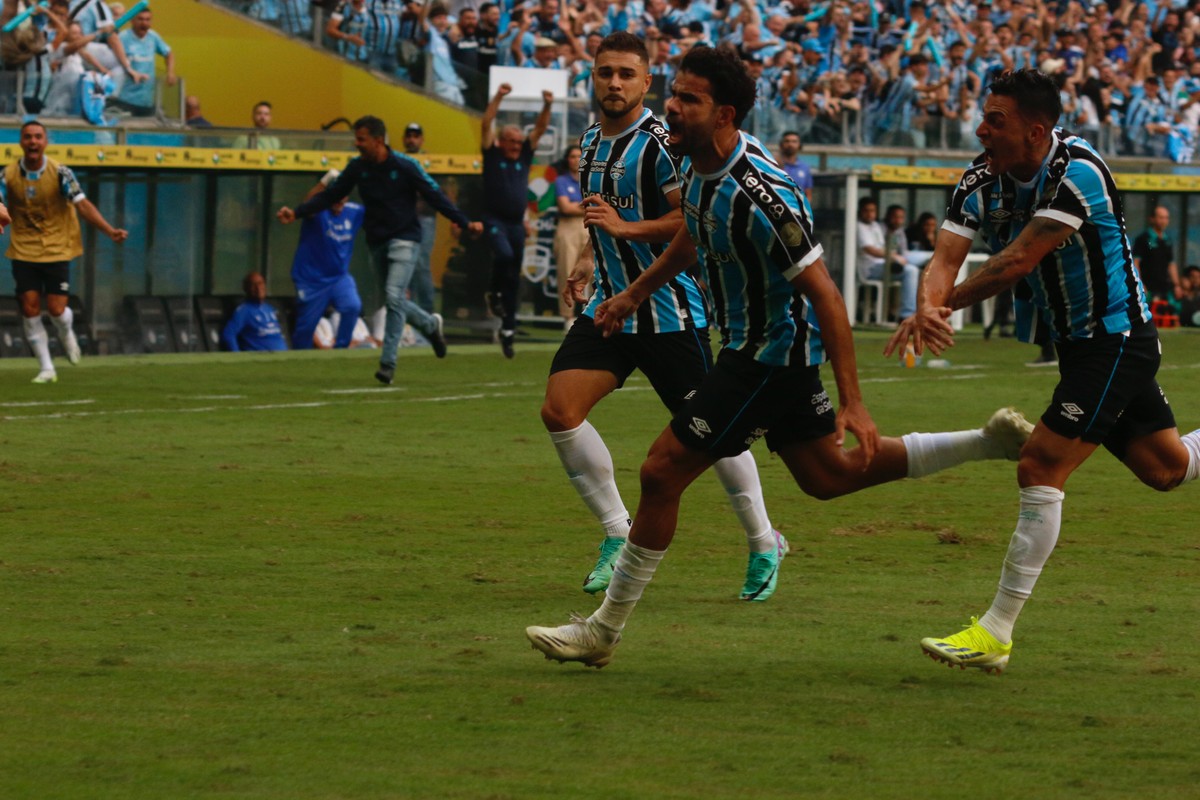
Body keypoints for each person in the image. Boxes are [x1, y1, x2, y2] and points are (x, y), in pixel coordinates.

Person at [526, 47, 1033, 668]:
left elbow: (826, 295)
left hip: (766, 356)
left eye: (688, 99)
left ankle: (603, 631)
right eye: (675, 94)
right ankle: (988, 442)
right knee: (828, 478)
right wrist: (633, 293)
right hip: (758, 351)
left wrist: (855, 402)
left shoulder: (760, 192)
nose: (672, 108)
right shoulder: (701, 166)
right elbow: (693, 229)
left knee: (662, 471)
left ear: (724, 113)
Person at [885, 69, 1200, 674]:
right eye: (983, 116)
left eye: (994, 120)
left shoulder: (1078, 171)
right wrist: (927, 305)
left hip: (1115, 339)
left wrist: (942, 307)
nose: (981, 128)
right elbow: (945, 255)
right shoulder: (981, 177)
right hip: (1081, 346)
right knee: (1166, 469)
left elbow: (1014, 263)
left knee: (1041, 462)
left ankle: (995, 632)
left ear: (1035, 131)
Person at [541, 32, 789, 606]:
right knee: (560, 410)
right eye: (605, 73)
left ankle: (763, 541)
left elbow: (690, 224)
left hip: (670, 313)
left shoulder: (661, 143)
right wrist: (585, 258)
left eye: (627, 73)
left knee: (716, 437)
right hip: (609, 307)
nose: (615, 83)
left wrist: (626, 232)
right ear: (593, 78)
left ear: (646, 82)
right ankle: (616, 533)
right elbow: (605, 217)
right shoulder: (591, 141)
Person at [277, 115, 483, 384]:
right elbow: (330, 195)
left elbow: (435, 195)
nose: (356, 143)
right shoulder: (357, 167)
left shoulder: (405, 165)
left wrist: (464, 223)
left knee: (394, 295)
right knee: (394, 299)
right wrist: (297, 213)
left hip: (406, 240)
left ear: (378, 140)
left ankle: (388, 363)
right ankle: (430, 325)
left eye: (361, 139)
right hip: (377, 242)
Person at [1, 120, 127, 384]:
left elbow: (82, 205)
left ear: (46, 142)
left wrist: (109, 230)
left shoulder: (61, 173)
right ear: (21, 142)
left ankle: (66, 332)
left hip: (57, 248)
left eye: (38, 136)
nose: (33, 141)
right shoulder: (8, 175)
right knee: (29, 307)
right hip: (24, 250)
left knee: (57, 309)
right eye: (28, 137)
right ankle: (47, 368)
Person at [480, 83, 553, 359]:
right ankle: (493, 293)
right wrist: (498, 96)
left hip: (516, 223)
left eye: (518, 141)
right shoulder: (492, 154)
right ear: (501, 141)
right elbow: (486, 122)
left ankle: (508, 330)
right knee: (504, 255)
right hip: (494, 218)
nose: (515, 145)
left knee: (513, 277)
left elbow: (540, 130)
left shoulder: (524, 155)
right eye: (510, 140)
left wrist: (547, 105)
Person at [288, 171, 366, 350]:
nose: (339, 201)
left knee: (353, 306)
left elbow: (378, 207)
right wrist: (325, 180)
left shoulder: (354, 212)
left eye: (343, 196)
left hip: (339, 277)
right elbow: (307, 204)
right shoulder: (318, 211)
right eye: (335, 197)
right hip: (311, 279)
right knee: (306, 328)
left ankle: (341, 350)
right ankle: (298, 359)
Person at [112, 6, 174, 116]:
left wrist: (170, 72)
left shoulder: (153, 37)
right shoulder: (122, 37)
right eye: (140, 19)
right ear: (132, 20)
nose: (144, 23)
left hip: (146, 100)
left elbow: (168, 53)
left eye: (147, 19)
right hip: (125, 99)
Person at [550, 143, 585, 332]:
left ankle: (587, 314)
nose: (576, 160)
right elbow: (565, 208)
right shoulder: (561, 181)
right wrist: (585, 206)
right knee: (567, 271)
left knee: (591, 272)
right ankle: (568, 316)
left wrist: (576, 206)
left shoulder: (590, 179)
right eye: (572, 156)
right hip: (567, 228)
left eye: (579, 156)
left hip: (589, 227)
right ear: (567, 159)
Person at [402, 122, 436, 314]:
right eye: (409, 136)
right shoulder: (399, 159)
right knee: (405, 265)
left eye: (416, 136)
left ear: (421, 140)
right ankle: (410, 313)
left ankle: (428, 312)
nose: (412, 140)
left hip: (425, 218)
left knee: (421, 264)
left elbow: (441, 190)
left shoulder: (430, 160)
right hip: (404, 218)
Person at [223, 272, 289, 352]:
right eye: (253, 285)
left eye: (260, 283)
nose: (258, 288)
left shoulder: (269, 309)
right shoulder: (243, 311)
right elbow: (229, 334)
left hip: (284, 357)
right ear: (246, 288)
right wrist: (237, 357)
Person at [1131, 205, 1183, 305]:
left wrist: (1177, 285)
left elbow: (1171, 264)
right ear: (1152, 219)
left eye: (1166, 217)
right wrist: (1140, 284)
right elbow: (1136, 262)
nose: (1164, 221)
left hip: (1164, 289)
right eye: (1161, 217)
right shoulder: (1143, 239)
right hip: (1148, 288)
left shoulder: (1167, 239)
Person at [776, 130, 813, 201]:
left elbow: (808, 194)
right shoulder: (774, 164)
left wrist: (804, 210)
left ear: (799, 145)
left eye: (794, 141)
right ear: (781, 144)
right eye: (787, 141)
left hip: (797, 209)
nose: (790, 144)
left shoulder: (805, 168)